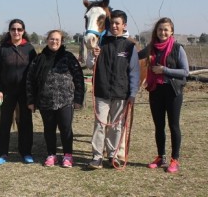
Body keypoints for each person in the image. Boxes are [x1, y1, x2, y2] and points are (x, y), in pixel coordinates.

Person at [86, 10, 140, 169]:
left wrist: (133, 93)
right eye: (112, 23)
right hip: (101, 91)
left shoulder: (130, 46)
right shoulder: (101, 41)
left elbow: (134, 72)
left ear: (124, 25)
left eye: (118, 23)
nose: (114, 26)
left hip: (121, 92)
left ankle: (113, 155)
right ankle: (97, 157)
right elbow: (90, 65)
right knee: (100, 124)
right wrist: (92, 54)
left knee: (117, 126)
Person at [26, 30, 85, 168]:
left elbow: (78, 78)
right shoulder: (39, 59)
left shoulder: (68, 57)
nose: (54, 41)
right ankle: (51, 154)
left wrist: (78, 99)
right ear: (47, 40)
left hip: (66, 100)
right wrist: (31, 100)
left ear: (61, 41)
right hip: (45, 101)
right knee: (49, 129)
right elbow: (30, 80)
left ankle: (67, 155)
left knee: (66, 128)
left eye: (57, 39)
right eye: (52, 39)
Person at [139, 17, 189, 173]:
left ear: (171, 31)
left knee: (173, 125)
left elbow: (185, 72)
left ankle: (175, 159)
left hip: (173, 91)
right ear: (156, 31)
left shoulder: (177, 48)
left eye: (166, 29)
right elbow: (134, 56)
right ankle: (161, 157)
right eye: (160, 29)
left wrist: (164, 70)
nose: (163, 32)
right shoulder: (151, 47)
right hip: (155, 91)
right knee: (158, 126)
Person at [0, 18, 37, 165]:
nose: (16, 32)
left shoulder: (29, 49)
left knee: (25, 122)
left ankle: (26, 152)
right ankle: (1, 154)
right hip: (7, 92)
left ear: (23, 31)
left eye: (19, 29)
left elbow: (35, 72)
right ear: (9, 31)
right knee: (4, 123)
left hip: (25, 93)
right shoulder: (3, 49)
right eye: (13, 29)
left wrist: (33, 93)